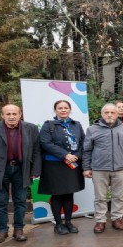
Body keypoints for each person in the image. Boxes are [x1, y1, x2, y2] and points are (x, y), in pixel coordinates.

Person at [0, 104, 41, 243]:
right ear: (2, 116)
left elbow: (37, 151)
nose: (12, 117)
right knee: (0, 202)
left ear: (20, 115)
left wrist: (35, 170)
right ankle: (2, 230)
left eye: (14, 114)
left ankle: (18, 230)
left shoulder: (31, 128)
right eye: (8, 114)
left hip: (22, 169)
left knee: (20, 201)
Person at [82, 103, 123, 233]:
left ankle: (117, 218)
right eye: (106, 112)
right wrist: (86, 167)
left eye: (112, 112)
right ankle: (100, 220)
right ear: (102, 114)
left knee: (119, 196)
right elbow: (87, 150)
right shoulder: (92, 129)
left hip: (120, 168)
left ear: (118, 114)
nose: (109, 115)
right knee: (100, 197)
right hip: (99, 168)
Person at [38, 100, 86, 235]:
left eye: (66, 108)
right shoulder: (48, 125)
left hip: (72, 165)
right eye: (60, 108)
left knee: (69, 194)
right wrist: (65, 155)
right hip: (54, 165)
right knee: (57, 195)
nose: (63, 110)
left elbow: (83, 142)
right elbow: (45, 143)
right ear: (55, 110)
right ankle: (58, 224)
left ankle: (69, 222)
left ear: (70, 110)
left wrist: (76, 155)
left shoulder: (76, 125)